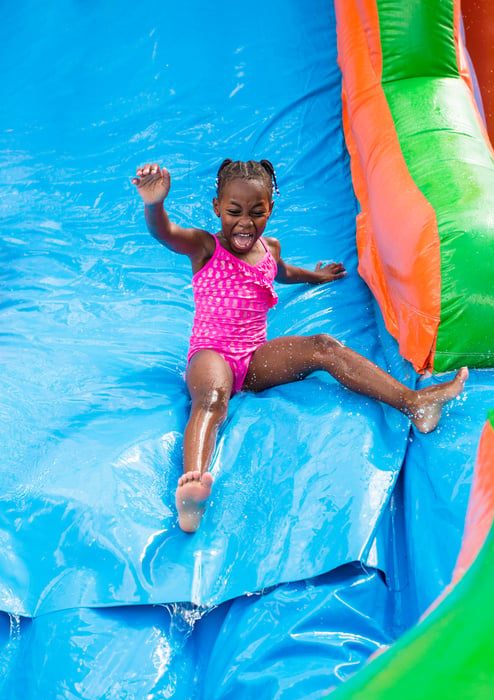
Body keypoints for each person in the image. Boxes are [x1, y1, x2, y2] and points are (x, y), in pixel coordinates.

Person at [132, 159, 468, 533]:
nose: (245, 222)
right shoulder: (204, 246)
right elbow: (165, 232)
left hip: (254, 360)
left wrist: (316, 275)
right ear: (217, 208)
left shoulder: (269, 248)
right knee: (212, 397)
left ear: (270, 210)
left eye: (257, 212)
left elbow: (282, 271)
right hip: (212, 354)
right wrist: (154, 204)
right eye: (234, 212)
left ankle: (414, 403)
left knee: (323, 345)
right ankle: (193, 486)